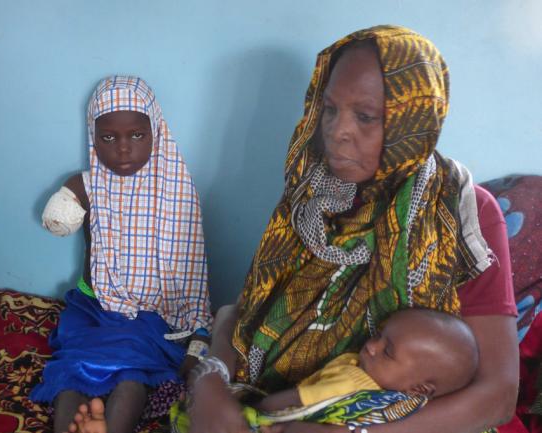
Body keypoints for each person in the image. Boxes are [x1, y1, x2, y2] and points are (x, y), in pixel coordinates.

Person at [188, 25, 519, 433]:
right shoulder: (312, 194)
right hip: (280, 408)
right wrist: (210, 377)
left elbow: (498, 395)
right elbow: (243, 311)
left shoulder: (458, 214)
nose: (337, 131)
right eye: (330, 109)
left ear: (412, 120)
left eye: (365, 117)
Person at [29, 76, 212, 433]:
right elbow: (59, 217)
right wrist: (63, 208)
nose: (123, 148)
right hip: (92, 306)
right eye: (109, 138)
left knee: (131, 374)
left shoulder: (176, 192)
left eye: (137, 135)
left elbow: (192, 271)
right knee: (72, 371)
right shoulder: (89, 185)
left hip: (150, 313)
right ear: (93, 137)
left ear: (156, 132)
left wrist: (200, 334)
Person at [255, 308, 478, 413]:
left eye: (387, 352)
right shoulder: (401, 409)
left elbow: (287, 402)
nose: (371, 346)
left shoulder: (353, 385)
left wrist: (254, 409)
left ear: (418, 389)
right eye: (379, 335)